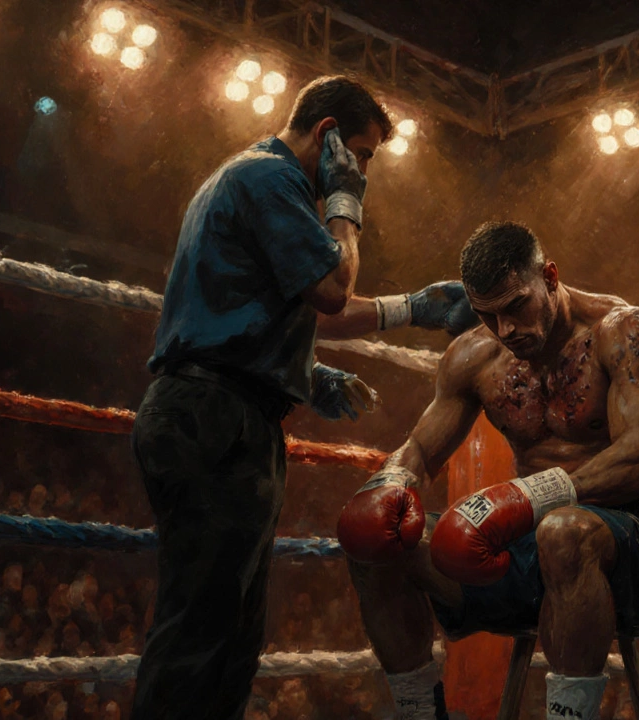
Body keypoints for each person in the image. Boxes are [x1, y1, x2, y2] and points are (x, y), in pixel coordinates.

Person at [129, 75, 477, 720]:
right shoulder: (270, 179)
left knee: (230, 634)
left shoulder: (248, 178)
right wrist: (345, 205)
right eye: (361, 155)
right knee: (200, 632)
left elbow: (293, 305)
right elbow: (333, 290)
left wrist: (318, 360)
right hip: (215, 417)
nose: (362, 172)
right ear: (328, 133)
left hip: (223, 410)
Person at [338, 221, 639, 720]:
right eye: (487, 314)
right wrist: (389, 482)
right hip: (522, 550)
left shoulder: (623, 332)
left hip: (623, 542)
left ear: (550, 277)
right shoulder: (474, 356)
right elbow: (420, 450)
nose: (506, 329)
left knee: (563, 531)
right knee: (377, 549)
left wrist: (526, 497)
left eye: (516, 305)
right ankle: (419, 713)